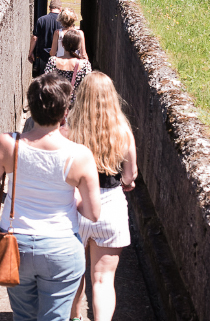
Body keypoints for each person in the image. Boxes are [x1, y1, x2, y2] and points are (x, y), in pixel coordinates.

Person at [0, 74, 102, 321]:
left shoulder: (8, 143)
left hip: (16, 245)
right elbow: (93, 213)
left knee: (23, 315)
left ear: (31, 106)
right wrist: (73, 196)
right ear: (65, 111)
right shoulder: (79, 155)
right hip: (61, 248)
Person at [65, 72, 138, 321]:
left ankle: (75, 317)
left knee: (74, 274)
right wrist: (126, 183)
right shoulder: (123, 130)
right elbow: (130, 175)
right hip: (111, 208)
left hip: (76, 205)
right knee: (103, 279)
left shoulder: (70, 130)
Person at [45, 31, 92, 103]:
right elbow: (88, 86)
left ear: (62, 44)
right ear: (78, 46)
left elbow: (46, 82)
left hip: (57, 103)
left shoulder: (53, 61)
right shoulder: (85, 64)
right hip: (76, 105)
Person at [29, 0, 63, 77]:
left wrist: (31, 52)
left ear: (49, 8)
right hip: (59, 55)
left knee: (44, 78)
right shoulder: (63, 21)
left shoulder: (41, 20)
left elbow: (34, 37)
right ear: (60, 9)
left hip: (44, 55)